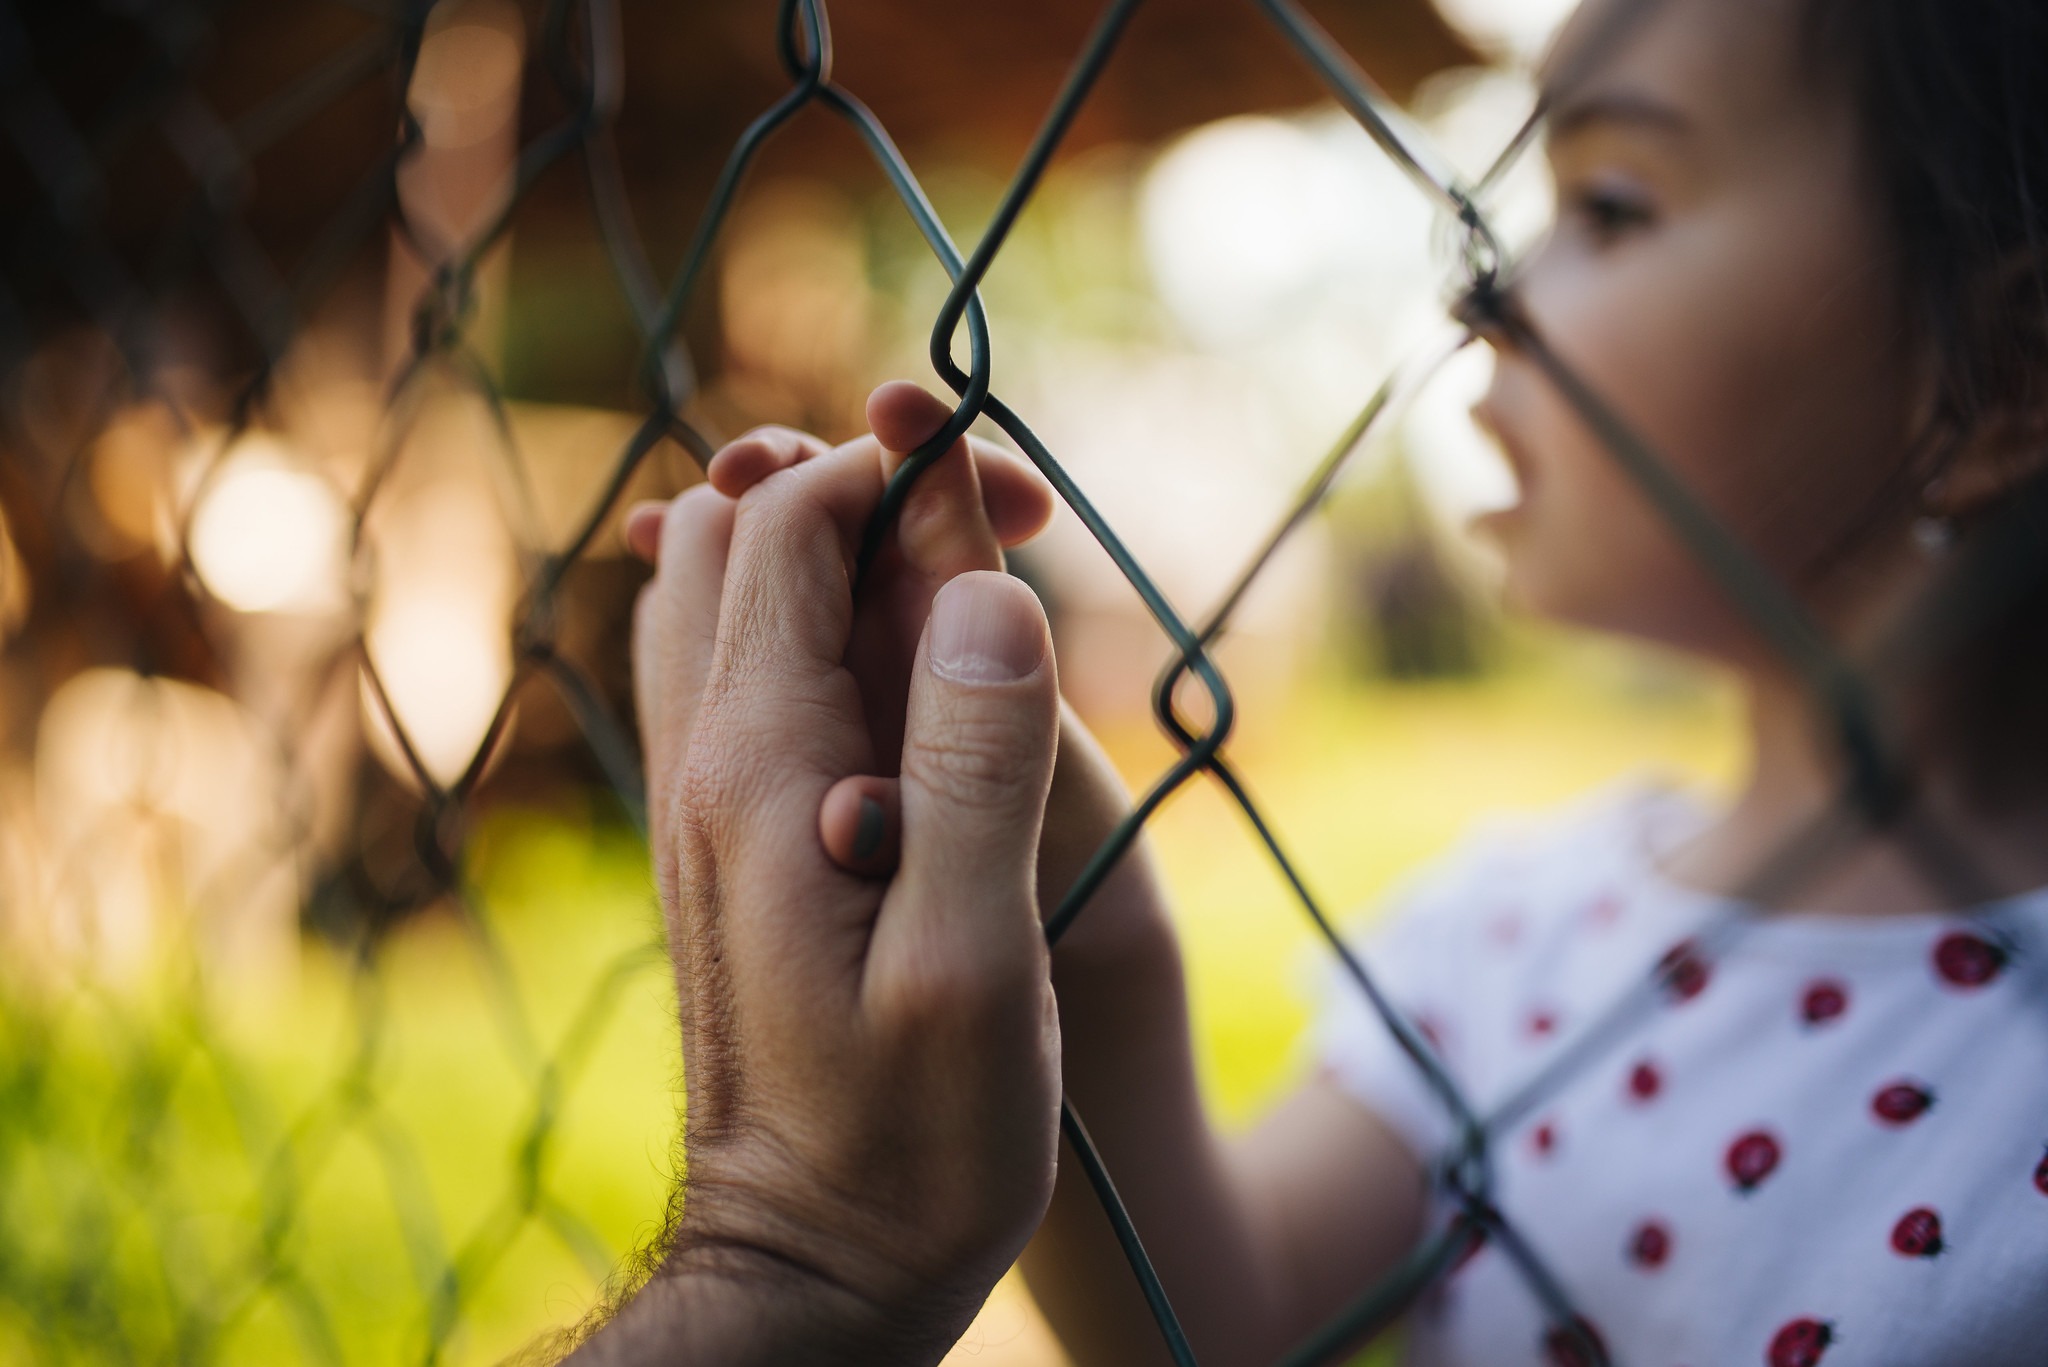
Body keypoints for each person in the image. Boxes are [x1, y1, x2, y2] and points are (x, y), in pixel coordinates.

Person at [574, 0, 2048, 1361]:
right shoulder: (1508, 945)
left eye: (1610, 206)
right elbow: (1220, 1319)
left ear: (2002, 370)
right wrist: (1077, 924)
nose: (1482, 291)